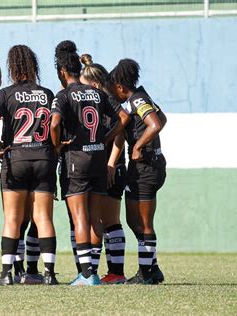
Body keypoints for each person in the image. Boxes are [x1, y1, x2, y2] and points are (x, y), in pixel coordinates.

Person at [50, 41, 130, 286]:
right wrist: (104, 138)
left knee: (79, 218)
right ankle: (93, 272)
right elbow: (124, 117)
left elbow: (54, 125)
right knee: (96, 217)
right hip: (99, 158)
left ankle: (86, 274)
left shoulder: (64, 95)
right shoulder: (98, 93)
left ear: (63, 72)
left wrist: (57, 146)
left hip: (77, 159)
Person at [0, 45, 58, 286]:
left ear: (12, 67)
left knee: (13, 219)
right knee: (43, 218)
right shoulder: (47, 93)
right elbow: (56, 125)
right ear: (33, 65)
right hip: (44, 158)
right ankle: (48, 274)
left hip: (15, 158)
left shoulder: (6, 93)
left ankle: (6, 274)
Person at [107, 58, 167, 284]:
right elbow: (163, 118)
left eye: (115, 90)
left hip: (145, 167)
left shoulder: (137, 99)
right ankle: (152, 267)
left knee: (142, 222)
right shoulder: (142, 97)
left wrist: (139, 146)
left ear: (121, 87)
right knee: (134, 221)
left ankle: (146, 273)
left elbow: (156, 124)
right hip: (149, 166)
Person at [80, 53, 128, 284]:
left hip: (111, 168)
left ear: (96, 85)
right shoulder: (97, 102)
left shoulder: (109, 104)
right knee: (98, 220)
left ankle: (115, 272)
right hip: (100, 167)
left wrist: (111, 164)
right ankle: (101, 273)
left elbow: (120, 137)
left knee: (108, 220)